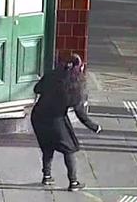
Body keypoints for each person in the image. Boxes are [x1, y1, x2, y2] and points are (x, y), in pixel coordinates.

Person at [31, 54, 102, 192]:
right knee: (69, 148)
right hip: (56, 119)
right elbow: (80, 113)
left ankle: (46, 175)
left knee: (47, 145)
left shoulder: (52, 75)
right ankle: (73, 182)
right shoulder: (75, 88)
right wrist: (95, 127)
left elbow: (37, 89)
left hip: (38, 115)